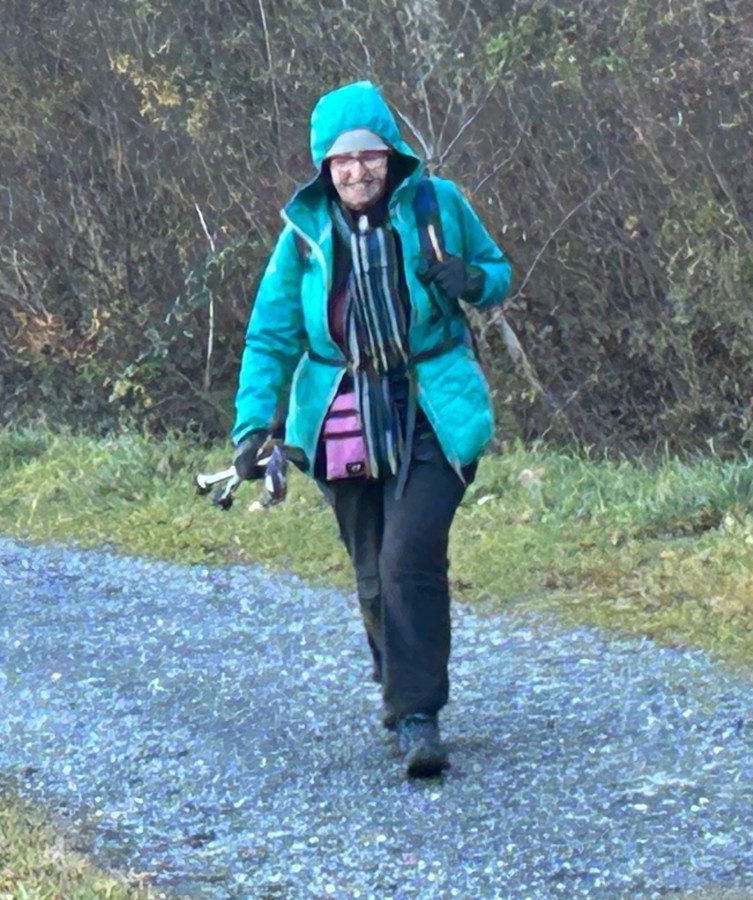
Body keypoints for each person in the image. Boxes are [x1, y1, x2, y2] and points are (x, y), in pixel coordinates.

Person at [229, 80, 510, 777]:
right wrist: (251, 426)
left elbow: (498, 273)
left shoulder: (438, 204)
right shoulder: (303, 235)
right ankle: (399, 685)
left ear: (392, 153)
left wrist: (470, 280)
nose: (358, 171)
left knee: (408, 556)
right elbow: (271, 335)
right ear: (323, 166)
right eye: (342, 159)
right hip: (340, 417)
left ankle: (417, 716)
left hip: (433, 408)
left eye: (369, 155)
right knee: (373, 569)